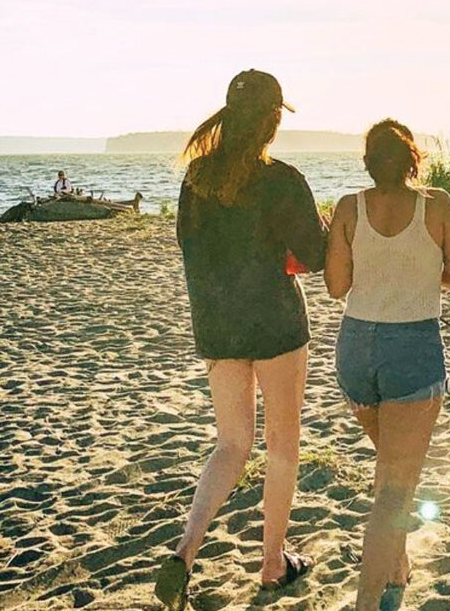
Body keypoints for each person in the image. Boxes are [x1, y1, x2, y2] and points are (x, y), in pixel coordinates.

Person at [155, 70, 326, 610]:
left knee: (231, 445)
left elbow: (190, 249)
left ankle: (185, 550)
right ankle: (273, 562)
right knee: (282, 445)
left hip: (218, 325)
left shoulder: (197, 179)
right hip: (276, 324)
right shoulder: (283, 180)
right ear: (273, 120)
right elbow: (315, 258)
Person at [325, 119, 450, 611]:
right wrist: (425, 277)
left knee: (392, 469)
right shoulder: (437, 204)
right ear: (413, 158)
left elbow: (334, 286)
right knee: (394, 486)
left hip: (355, 348)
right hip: (412, 344)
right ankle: (369, 602)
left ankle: (397, 567)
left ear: (368, 160)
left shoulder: (349, 207)